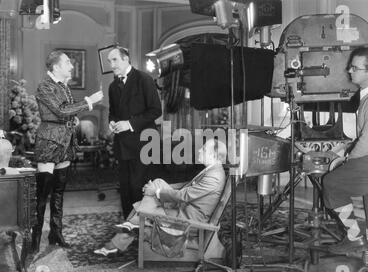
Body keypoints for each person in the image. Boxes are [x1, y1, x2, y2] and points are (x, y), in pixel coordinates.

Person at [94, 138, 227, 256]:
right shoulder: (212, 170)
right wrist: (156, 189)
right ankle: (135, 220)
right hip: (186, 208)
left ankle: (130, 226)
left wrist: (156, 192)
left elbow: (184, 195)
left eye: (203, 149)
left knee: (144, 206)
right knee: (157, 182)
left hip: (189, 218)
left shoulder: (214, 177)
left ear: (214, 155)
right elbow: (188, 191)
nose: (199, 151)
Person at [31, 50, 104, 253]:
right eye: (67, 63)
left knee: (59, 194)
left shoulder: (64, 87)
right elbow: (61, 110)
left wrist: (74, 119)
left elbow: (66, 112)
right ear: (55, 67)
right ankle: (35, 238)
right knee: (42, 194)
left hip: (65, 144)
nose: (71, 66)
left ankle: (56, 233)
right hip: (49, 144)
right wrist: (89, 102)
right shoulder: (45, 86)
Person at [323, 47, 368, 268]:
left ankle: (354, 237)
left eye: (355, 68)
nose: (350, 71)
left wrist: (347, 160)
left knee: (331, 183)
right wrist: (346, 148)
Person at [107, 46, 162, 220]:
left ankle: (142, 225)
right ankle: (129, 223)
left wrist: (129, 124)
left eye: (114, 60)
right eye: (110, 61)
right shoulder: (112, 86)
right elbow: (113, 112)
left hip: (143, 144)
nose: (111, 64)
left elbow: (155, 111)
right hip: (123, 145)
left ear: (125, 59)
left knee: (137, 186)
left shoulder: (144, 79)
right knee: (124, 187)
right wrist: (112, 122)